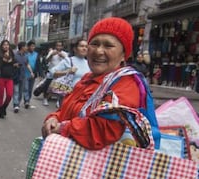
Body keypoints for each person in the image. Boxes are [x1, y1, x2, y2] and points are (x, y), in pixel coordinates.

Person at [42, 17, 159, 150]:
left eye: (108, 45)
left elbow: (103, 129)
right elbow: (66, 111)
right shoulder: (87, 79)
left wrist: (64, 128)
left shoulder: (125, 84)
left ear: (124, 54)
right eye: (94, 44)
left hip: (92, 168)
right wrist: (54, 118)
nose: (98, 51)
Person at [50, 39, 90, 107]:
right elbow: (52, 72)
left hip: (82, 98)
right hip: (68, 95)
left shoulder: (89, 63)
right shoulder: (68, 60)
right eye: (82, 46)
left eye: (86, 47)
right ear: (75, 49)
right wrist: (67, 71)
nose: (84, 48)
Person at [34, 41, 68, 106]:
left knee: (60, 88)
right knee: (48, 86)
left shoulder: (65, 54)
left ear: (62, 47)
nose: (59, 47)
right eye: (57, 45)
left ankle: (58, 101)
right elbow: (46, 61)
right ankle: (45, 99)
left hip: (61, 74)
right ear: (55, 46)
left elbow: (68, 63)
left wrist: (63, 57)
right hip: (51, 72)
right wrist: (52, 55)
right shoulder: (52, 52)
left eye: (60, 46)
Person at [0, 40, 15, 118]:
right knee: (1, 95)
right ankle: (0, 111)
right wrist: (5, 58)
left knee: (9, 95)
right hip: (0, 77)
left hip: (9, 77)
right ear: (1, 46)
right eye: (4, 45)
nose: (6, 46)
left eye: (7, 44)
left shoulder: (12, 54)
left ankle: (4, 107)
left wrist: (12, 62)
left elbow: (13, 62)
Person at [13, 41, 33, 113]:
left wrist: (31, 72)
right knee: (16, 91)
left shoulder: (26, 55)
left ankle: (18, 103)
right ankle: (15, 105)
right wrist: (15, 65)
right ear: (22, 47)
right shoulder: (14, 54)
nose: (27, 48)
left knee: (21, 91)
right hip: (16, 76)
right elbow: (10, 63)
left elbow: (27, 64)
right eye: (25, 46)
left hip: (23, 76)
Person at [24, 40, 42, 109]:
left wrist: (40, 74)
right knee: (26, 88)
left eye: (34, 46)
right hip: (25, 74)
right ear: (28, 47)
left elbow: (39, 64)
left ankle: (28, 100)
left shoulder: (37, 54)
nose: (33, 47)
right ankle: (26, 101)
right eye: (31, 46)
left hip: (33, 74)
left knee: (30, 89)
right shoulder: (25, 54)